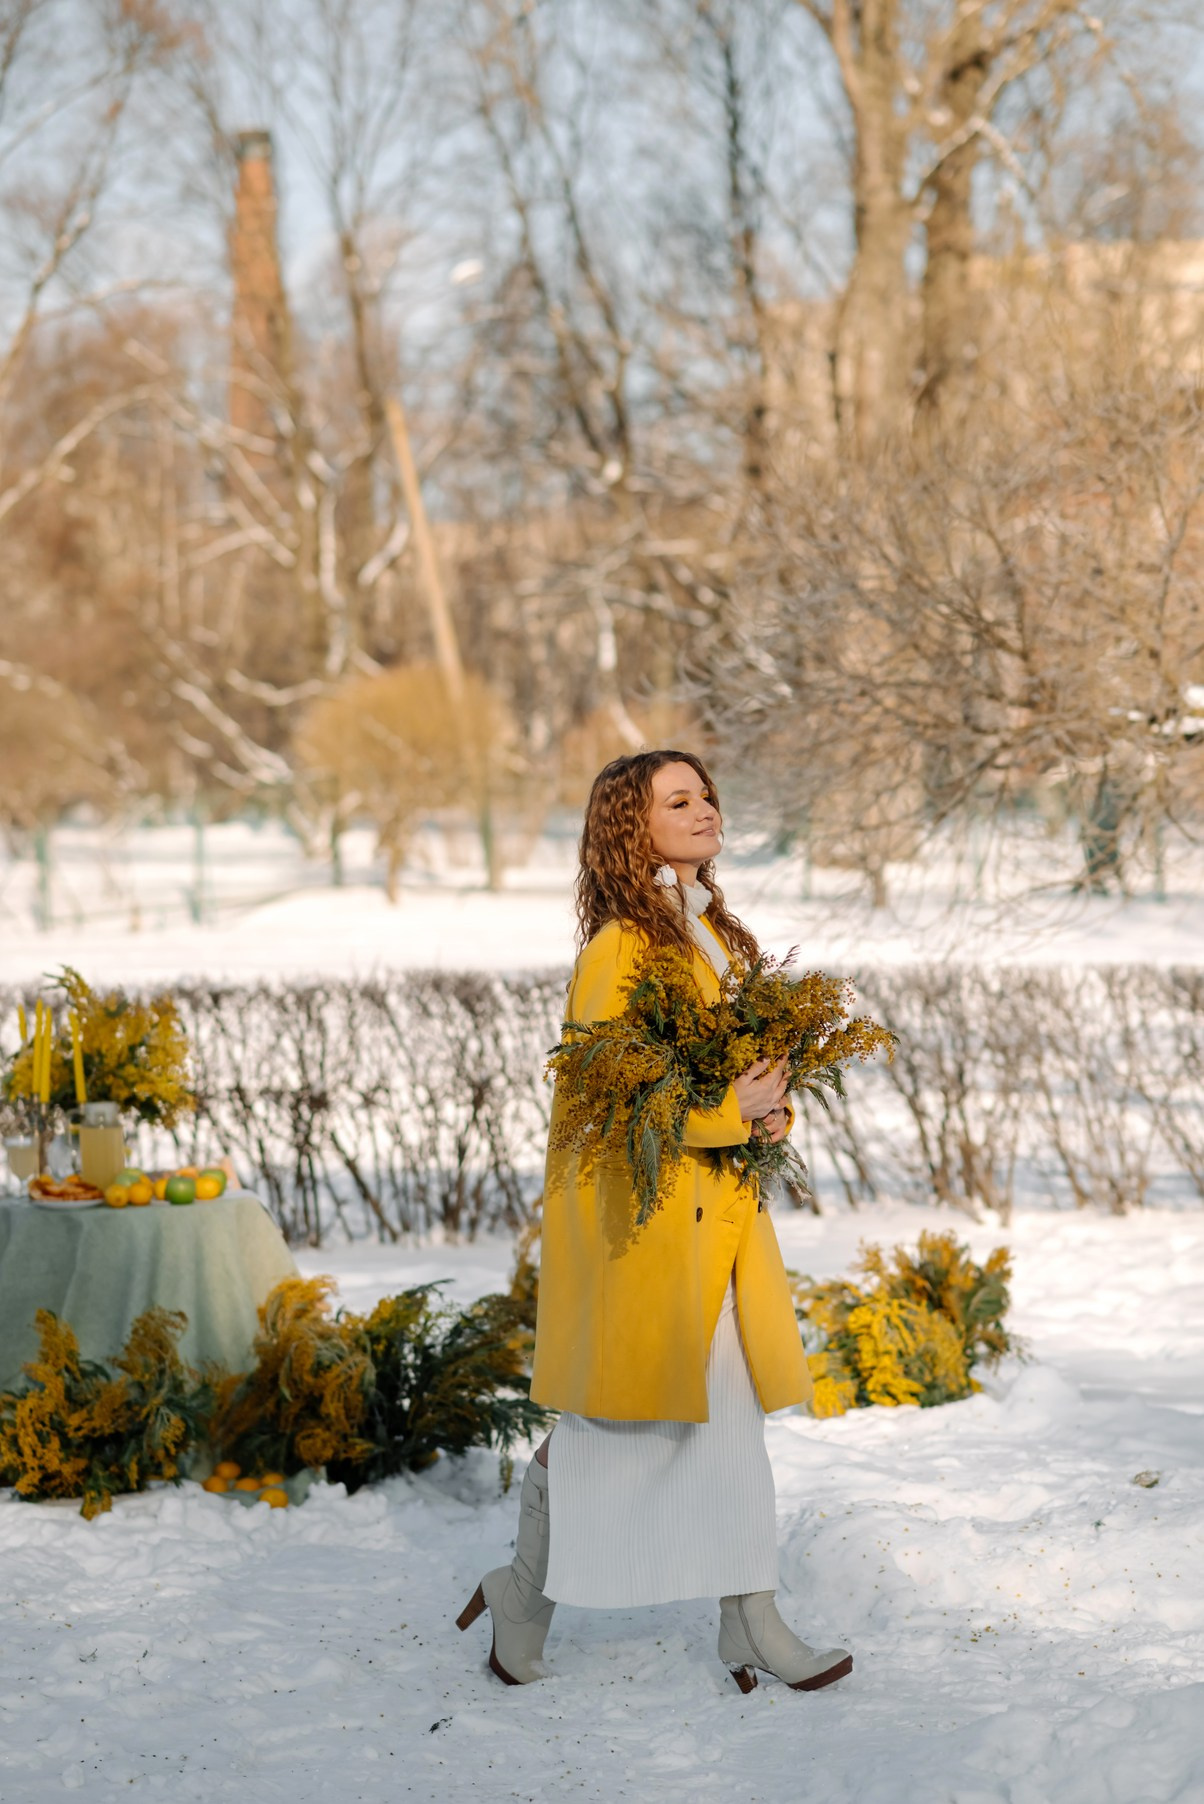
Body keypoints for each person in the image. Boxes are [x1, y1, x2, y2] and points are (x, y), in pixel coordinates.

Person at [457, 750, 851, 1694]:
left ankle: (741, 1621)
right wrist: (728, 1113)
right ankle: (528, 1599)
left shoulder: (716, 933)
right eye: (680, 800)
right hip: (652, 1229)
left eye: (708, 793)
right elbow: (601, 1105)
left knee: (724, 1427)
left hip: (717, 1218)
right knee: (612, 1430)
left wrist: (767, 1107)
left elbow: (723, 1077)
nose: (706, 807)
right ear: (633, 829)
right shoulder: (619, 950)